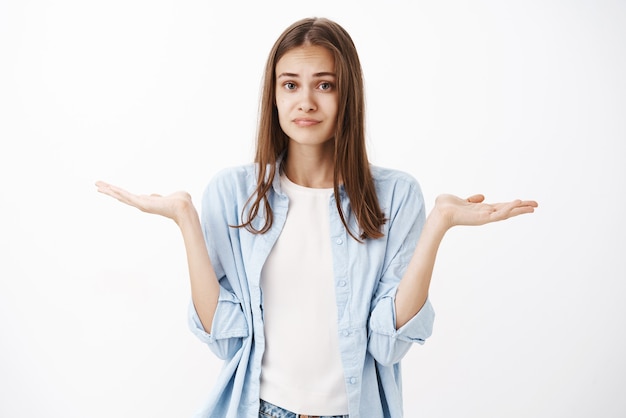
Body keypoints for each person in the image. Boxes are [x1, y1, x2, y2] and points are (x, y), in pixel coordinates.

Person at [96, 17, 537, 418]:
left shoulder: (396, 196)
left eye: (324, 85)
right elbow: (226, 338)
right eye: (290, 85)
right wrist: (185, 219)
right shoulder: (232, 194)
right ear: (273, 94)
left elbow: (389, 342)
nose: (305, 101)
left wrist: (438, 224)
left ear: (349, 94)